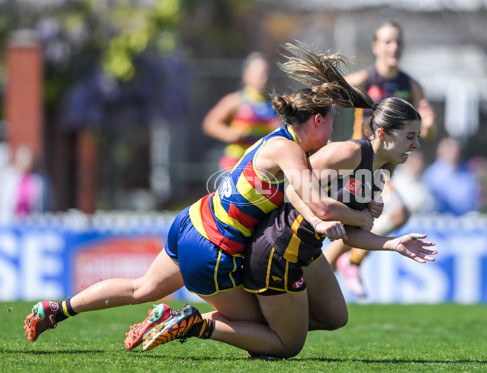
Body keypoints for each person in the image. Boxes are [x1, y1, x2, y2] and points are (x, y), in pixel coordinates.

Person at [22, 41, 376, 348]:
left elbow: (300, 197)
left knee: (141, 288)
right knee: (272, 331)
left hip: (192, 222)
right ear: (317, 120)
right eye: (330, 122)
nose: (332, 132)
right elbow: (316, 202)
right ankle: (178, 319)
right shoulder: (290, 151)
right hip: (213, 250)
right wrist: (363, 216)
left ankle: (57, 309)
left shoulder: (278, 140)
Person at [137, 93, 437, 358]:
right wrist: (323, 219)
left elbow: (353, 232)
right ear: (384, 133)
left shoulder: (383, 169)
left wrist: (392, 243)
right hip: (278, 250)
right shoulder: (347, 153)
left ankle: (209, 324)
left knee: (334, 317)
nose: (417, 143)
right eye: (410, 136)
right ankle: (196, 324)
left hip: (305, 249)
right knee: (287, 345)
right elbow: (294, 189)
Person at [325, 20, 437, 296]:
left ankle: (322, 281)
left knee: (356, 225)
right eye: (387, 41)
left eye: (398, 41)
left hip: (383, 175)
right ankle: (347, 263)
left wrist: (431, 125)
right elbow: (325, 96)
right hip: (364, 168)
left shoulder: (411, 85)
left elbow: (427, 132)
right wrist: (322, 133)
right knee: (397, 213)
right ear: (376, 46)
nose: (394, 47)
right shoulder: (365, 80)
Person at [202, 52, 281, 170]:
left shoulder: (275, 104)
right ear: (246, 75)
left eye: (266, 73)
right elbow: (209, 123)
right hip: (235, 164)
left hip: (261, 166)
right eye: (259, 73)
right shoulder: (235, 101)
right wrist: (229, 134)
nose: (263, 78)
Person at [422, 137, 480, 215]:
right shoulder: (431, 175)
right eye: (450, 150)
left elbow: (473, 199)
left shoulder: (467, 173)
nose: (454, 153)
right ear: (440, 151)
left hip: (464, 220)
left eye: (456, 150)